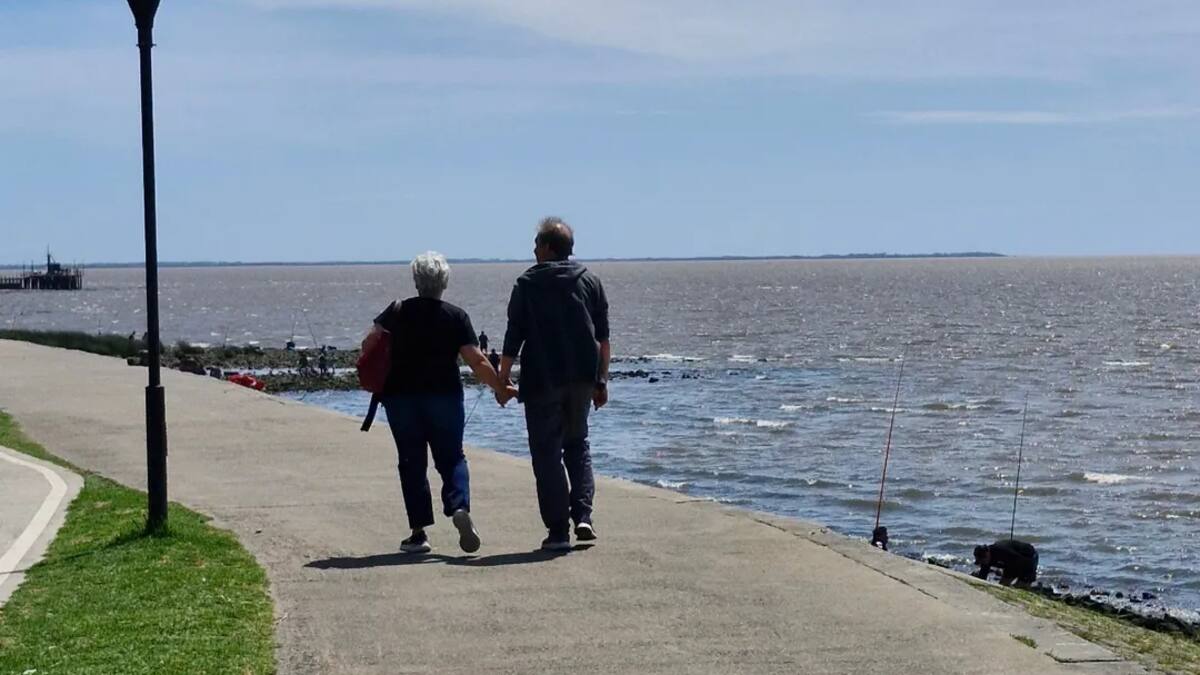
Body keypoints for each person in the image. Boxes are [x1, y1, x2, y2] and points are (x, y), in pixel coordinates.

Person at [369, 251, 517, 554]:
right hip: (445, 396)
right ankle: (459, 506)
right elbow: (475, 360)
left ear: (416, 280)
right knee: (452, 459)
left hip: (401, 397)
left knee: (411, 461)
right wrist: (499, 387)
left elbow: (369, 343)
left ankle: (419, 533)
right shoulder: (455, 316)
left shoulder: (396, 312)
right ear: (444, 283)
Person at [499, 217, 610, 551]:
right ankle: (584, 516)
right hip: (581, 379)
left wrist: (502, 380)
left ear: (547, 247)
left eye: (536, 244)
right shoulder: (591, 281)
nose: (533, 250)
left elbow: (512, 337)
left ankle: (559, 530)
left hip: (542, 380)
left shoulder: (527, 283)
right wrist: (601, 382)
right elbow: (603, 340)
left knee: (546, 454)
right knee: (578, 446)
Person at [973, 539, 1039, 587]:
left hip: (1028, 557)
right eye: (980, 561)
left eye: (983, 559)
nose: (983, 562)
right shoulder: (985, 559)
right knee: (1003, 585)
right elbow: (982, 577)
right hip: (1011, 563)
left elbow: (1019, 562)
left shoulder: (1002, 551)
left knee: (1021, 586)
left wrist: (1027, 578)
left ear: (987, 553)